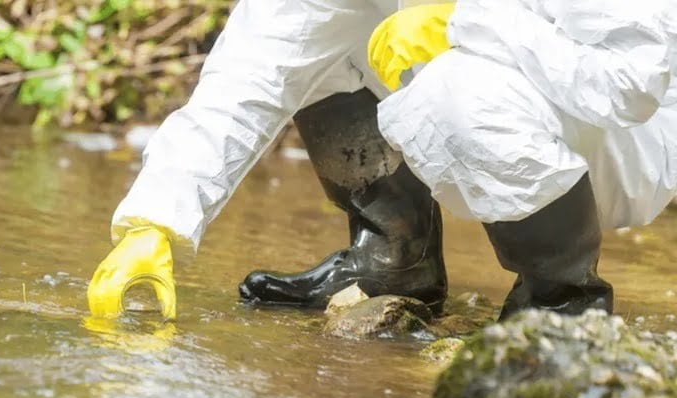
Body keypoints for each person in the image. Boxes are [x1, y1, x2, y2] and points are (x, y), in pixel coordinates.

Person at [86, 0, 677, 322]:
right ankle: (394, 264)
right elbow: (248, 79)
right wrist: (154, 224)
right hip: (496, 95)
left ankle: (562, 300)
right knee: (313, 56)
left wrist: (466, 20)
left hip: (617, 142)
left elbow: (629, 83)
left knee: (456, 85)